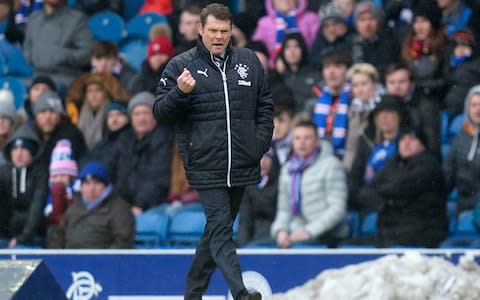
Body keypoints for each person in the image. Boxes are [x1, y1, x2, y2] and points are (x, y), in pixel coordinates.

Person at [154, 4, 272, 299]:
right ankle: (241, 293)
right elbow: (160, 113)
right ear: (200, 30)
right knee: (221, 230)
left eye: (224, 31)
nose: (218, 37)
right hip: (205, 164)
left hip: (243, 161)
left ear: (231, 30)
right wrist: (179, 93)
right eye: (212, 31)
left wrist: (259, 144)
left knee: (214, 234)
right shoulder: (180, 66)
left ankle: (192, 294)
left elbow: (265, 106)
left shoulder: (249, 61)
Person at [355, 126, 448, 247]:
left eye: (412, 139)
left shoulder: (429, 165)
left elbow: (401, 188)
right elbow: (365, 192)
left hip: (423, 232)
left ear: (423, 144)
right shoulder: (393, 163)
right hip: (392, 231)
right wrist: (384, 202)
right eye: (402, 139)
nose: (406, 143)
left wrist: (382, 196)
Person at [271, 119, 348, 248]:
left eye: (307, 138)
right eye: (297, 138)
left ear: (317, 141)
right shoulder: (288, 169)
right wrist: (280, 231)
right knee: (256, 247)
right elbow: (284, 210)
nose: (302, 142)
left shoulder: (331, 165)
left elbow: (337, 209)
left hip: (327, 235)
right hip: (295, 233)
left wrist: (309, 231)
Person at [106, 92, 173, 215]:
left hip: (150, 206)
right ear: (131, 118)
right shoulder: (124, 139)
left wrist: (139, 205)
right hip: (121, 204)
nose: (141, 118)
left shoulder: (163, 139)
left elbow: (158, 179)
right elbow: (110, 171)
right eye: (137, 114)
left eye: (146, 113)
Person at [49, 161, 135, 249]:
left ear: (106, 186)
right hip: (71, 259)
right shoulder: (75, 207)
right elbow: (60, 235)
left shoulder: (119, 208)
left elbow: (123, 242)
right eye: (87, 183)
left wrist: (103, 260)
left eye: (97, 183)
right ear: (81, 187)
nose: (91, 188)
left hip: (102, 260)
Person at [23, 0, 95, 89]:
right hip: (37, 76)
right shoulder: (34, 19)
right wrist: (34, 56)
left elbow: (87, 53)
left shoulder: (77, 20)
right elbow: (27, 48)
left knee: (43, 93)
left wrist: (63, 55)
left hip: (65, 77)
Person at [0, 125, 48, 248]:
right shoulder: (3, 172)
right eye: (15, 149)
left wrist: (23, 238)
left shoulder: (40, 173)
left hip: (34, 237)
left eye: (24, 149)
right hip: (5, 235)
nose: (19, 154)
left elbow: (37, 207)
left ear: (32, 152)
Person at [444, 85, 480, 212]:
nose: (478, 109)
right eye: (473, 105)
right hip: (466, 206)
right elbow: (448, 173)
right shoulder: (460, 137)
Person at [252, 0, 319, 67]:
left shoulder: (311, 19)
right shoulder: (264, 23)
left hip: (307, 67)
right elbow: (257, 50)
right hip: (273, 70)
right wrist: (274, 63)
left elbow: (317, 46)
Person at [343, 63, 383, 171]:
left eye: (364, 84)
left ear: (375, 84)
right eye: (355, 85)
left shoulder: (383, 106)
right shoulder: (353, 109)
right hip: (357, 165)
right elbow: (351, 145)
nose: (359, 89)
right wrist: (347, 168)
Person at [312, 51, 352, 158]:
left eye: (337, 66)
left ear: (348, 71)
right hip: (317, 157)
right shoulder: (313, 101)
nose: (331, 72)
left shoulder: (355, 100)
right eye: (327, 67)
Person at [33, 91, 87, 167]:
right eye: (43, 111)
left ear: (61, 115)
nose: (48, 117)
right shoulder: (31, 137)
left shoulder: (71, 136)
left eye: (52, 112)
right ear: (36, 117)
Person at [310, 2, 353, 68]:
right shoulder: (319, 41)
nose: (331, 29)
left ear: (343, 24)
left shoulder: (353, 38)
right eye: (327, 26)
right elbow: (314, 62)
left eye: (335, 24)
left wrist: (336, 41)